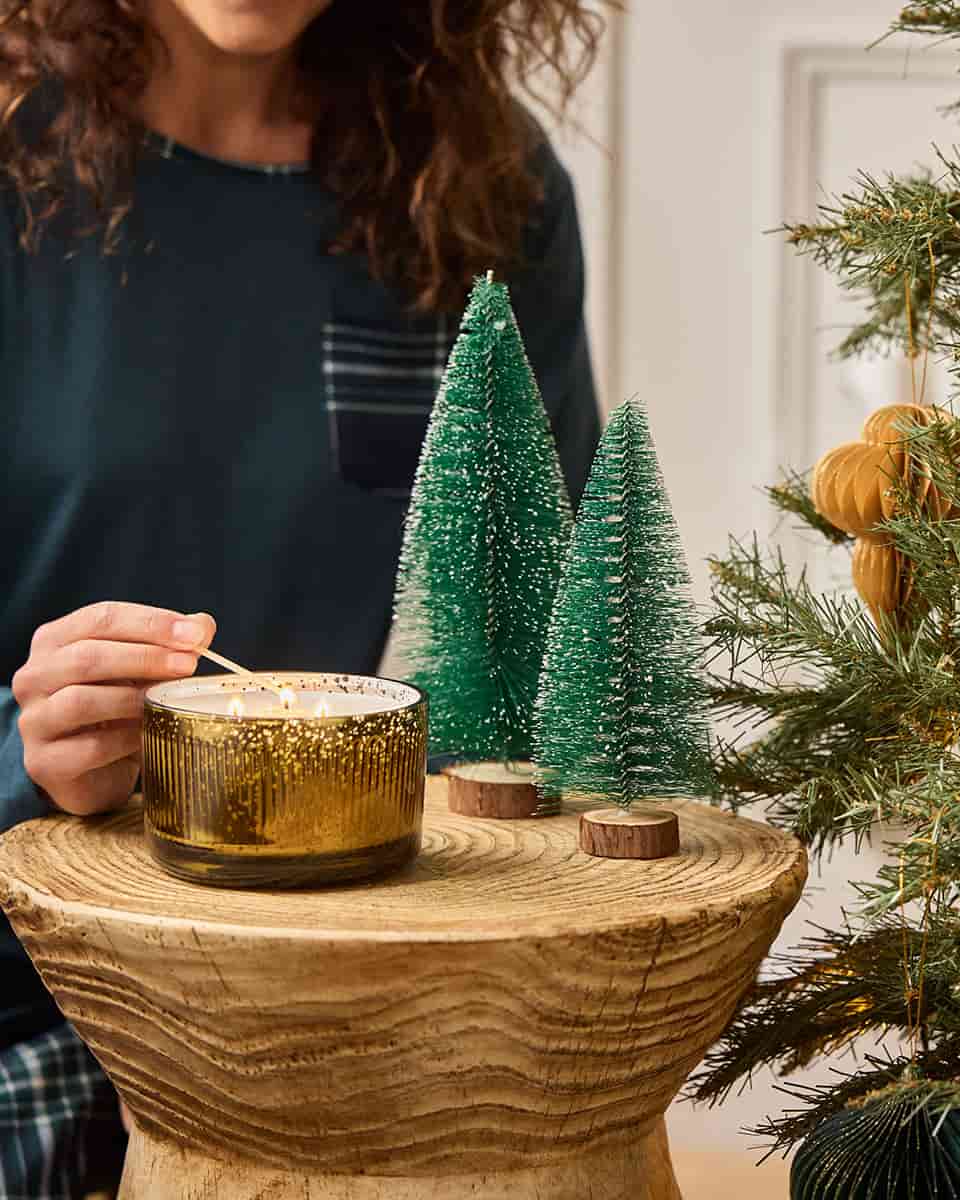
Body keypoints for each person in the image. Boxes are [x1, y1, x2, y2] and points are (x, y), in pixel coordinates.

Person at [0, 0, 603, 1194]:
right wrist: (27, 757)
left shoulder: (484, 181)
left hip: (362, 986)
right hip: (28, 994)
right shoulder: (16, 157)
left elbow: (548, 640)